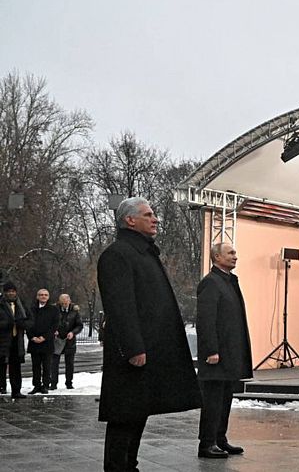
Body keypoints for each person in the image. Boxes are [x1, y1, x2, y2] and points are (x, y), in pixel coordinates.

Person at [97, 196, 201, 471]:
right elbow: (120, 307)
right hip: (133, 352)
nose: (155, 219)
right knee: (124, 416)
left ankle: (129, 465)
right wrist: (133, 348)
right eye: (148, 215)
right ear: (130, 220)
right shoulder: (117, 254)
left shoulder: (144, 253)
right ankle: (119, 467)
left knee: (138, 412)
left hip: (150, 348)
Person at [196, 242, 253, 459]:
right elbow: (206, 320)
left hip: (229, 355)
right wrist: (211, 350)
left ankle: (220, 439)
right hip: (216, 356)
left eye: (235, 253)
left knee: (225, 399)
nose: (235, 256)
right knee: (212, 401)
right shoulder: (210, 283)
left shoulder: (228, 282)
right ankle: (206, 443)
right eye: (230, 253)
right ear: (217, 257)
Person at [1, 282, 33, 398]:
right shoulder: (1, 304)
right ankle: (2, 387)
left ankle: (16, 390)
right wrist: (6, 324)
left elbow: (30, 320)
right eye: (8, 291)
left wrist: (22, 324)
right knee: (1, 365)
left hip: (16, 340)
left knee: (15, 367)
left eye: (13, 291)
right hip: (3, 340)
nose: (11, 293)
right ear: (5, 292)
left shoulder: (21, 304)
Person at [27, 288, 59, 394]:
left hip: (47, 342)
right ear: (37, 296)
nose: (43, 296)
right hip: (34, 342)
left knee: (47, 366)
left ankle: (45, 385)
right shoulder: (31, 309)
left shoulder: (53, 309)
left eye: (45, 295)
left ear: (48, 297)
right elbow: (27, 325)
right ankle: (36, 385)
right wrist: (32, 337)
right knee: (35, 366)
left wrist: (44, 337)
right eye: (41, 295)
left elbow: (54, 326)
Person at [51, 293, 83, 390]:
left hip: (69, 340)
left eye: (66, 303)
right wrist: (53, 330)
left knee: (69, 363)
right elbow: (50, 322)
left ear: (69, 301)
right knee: (54, 363)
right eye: (62, 303)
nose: (64, 305)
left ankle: (69, 383)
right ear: (59, 302)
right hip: (57, 340)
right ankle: (53, 383)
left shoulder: (75, 311)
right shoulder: (54, 309)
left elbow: (79, 325)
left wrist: (73, 333)